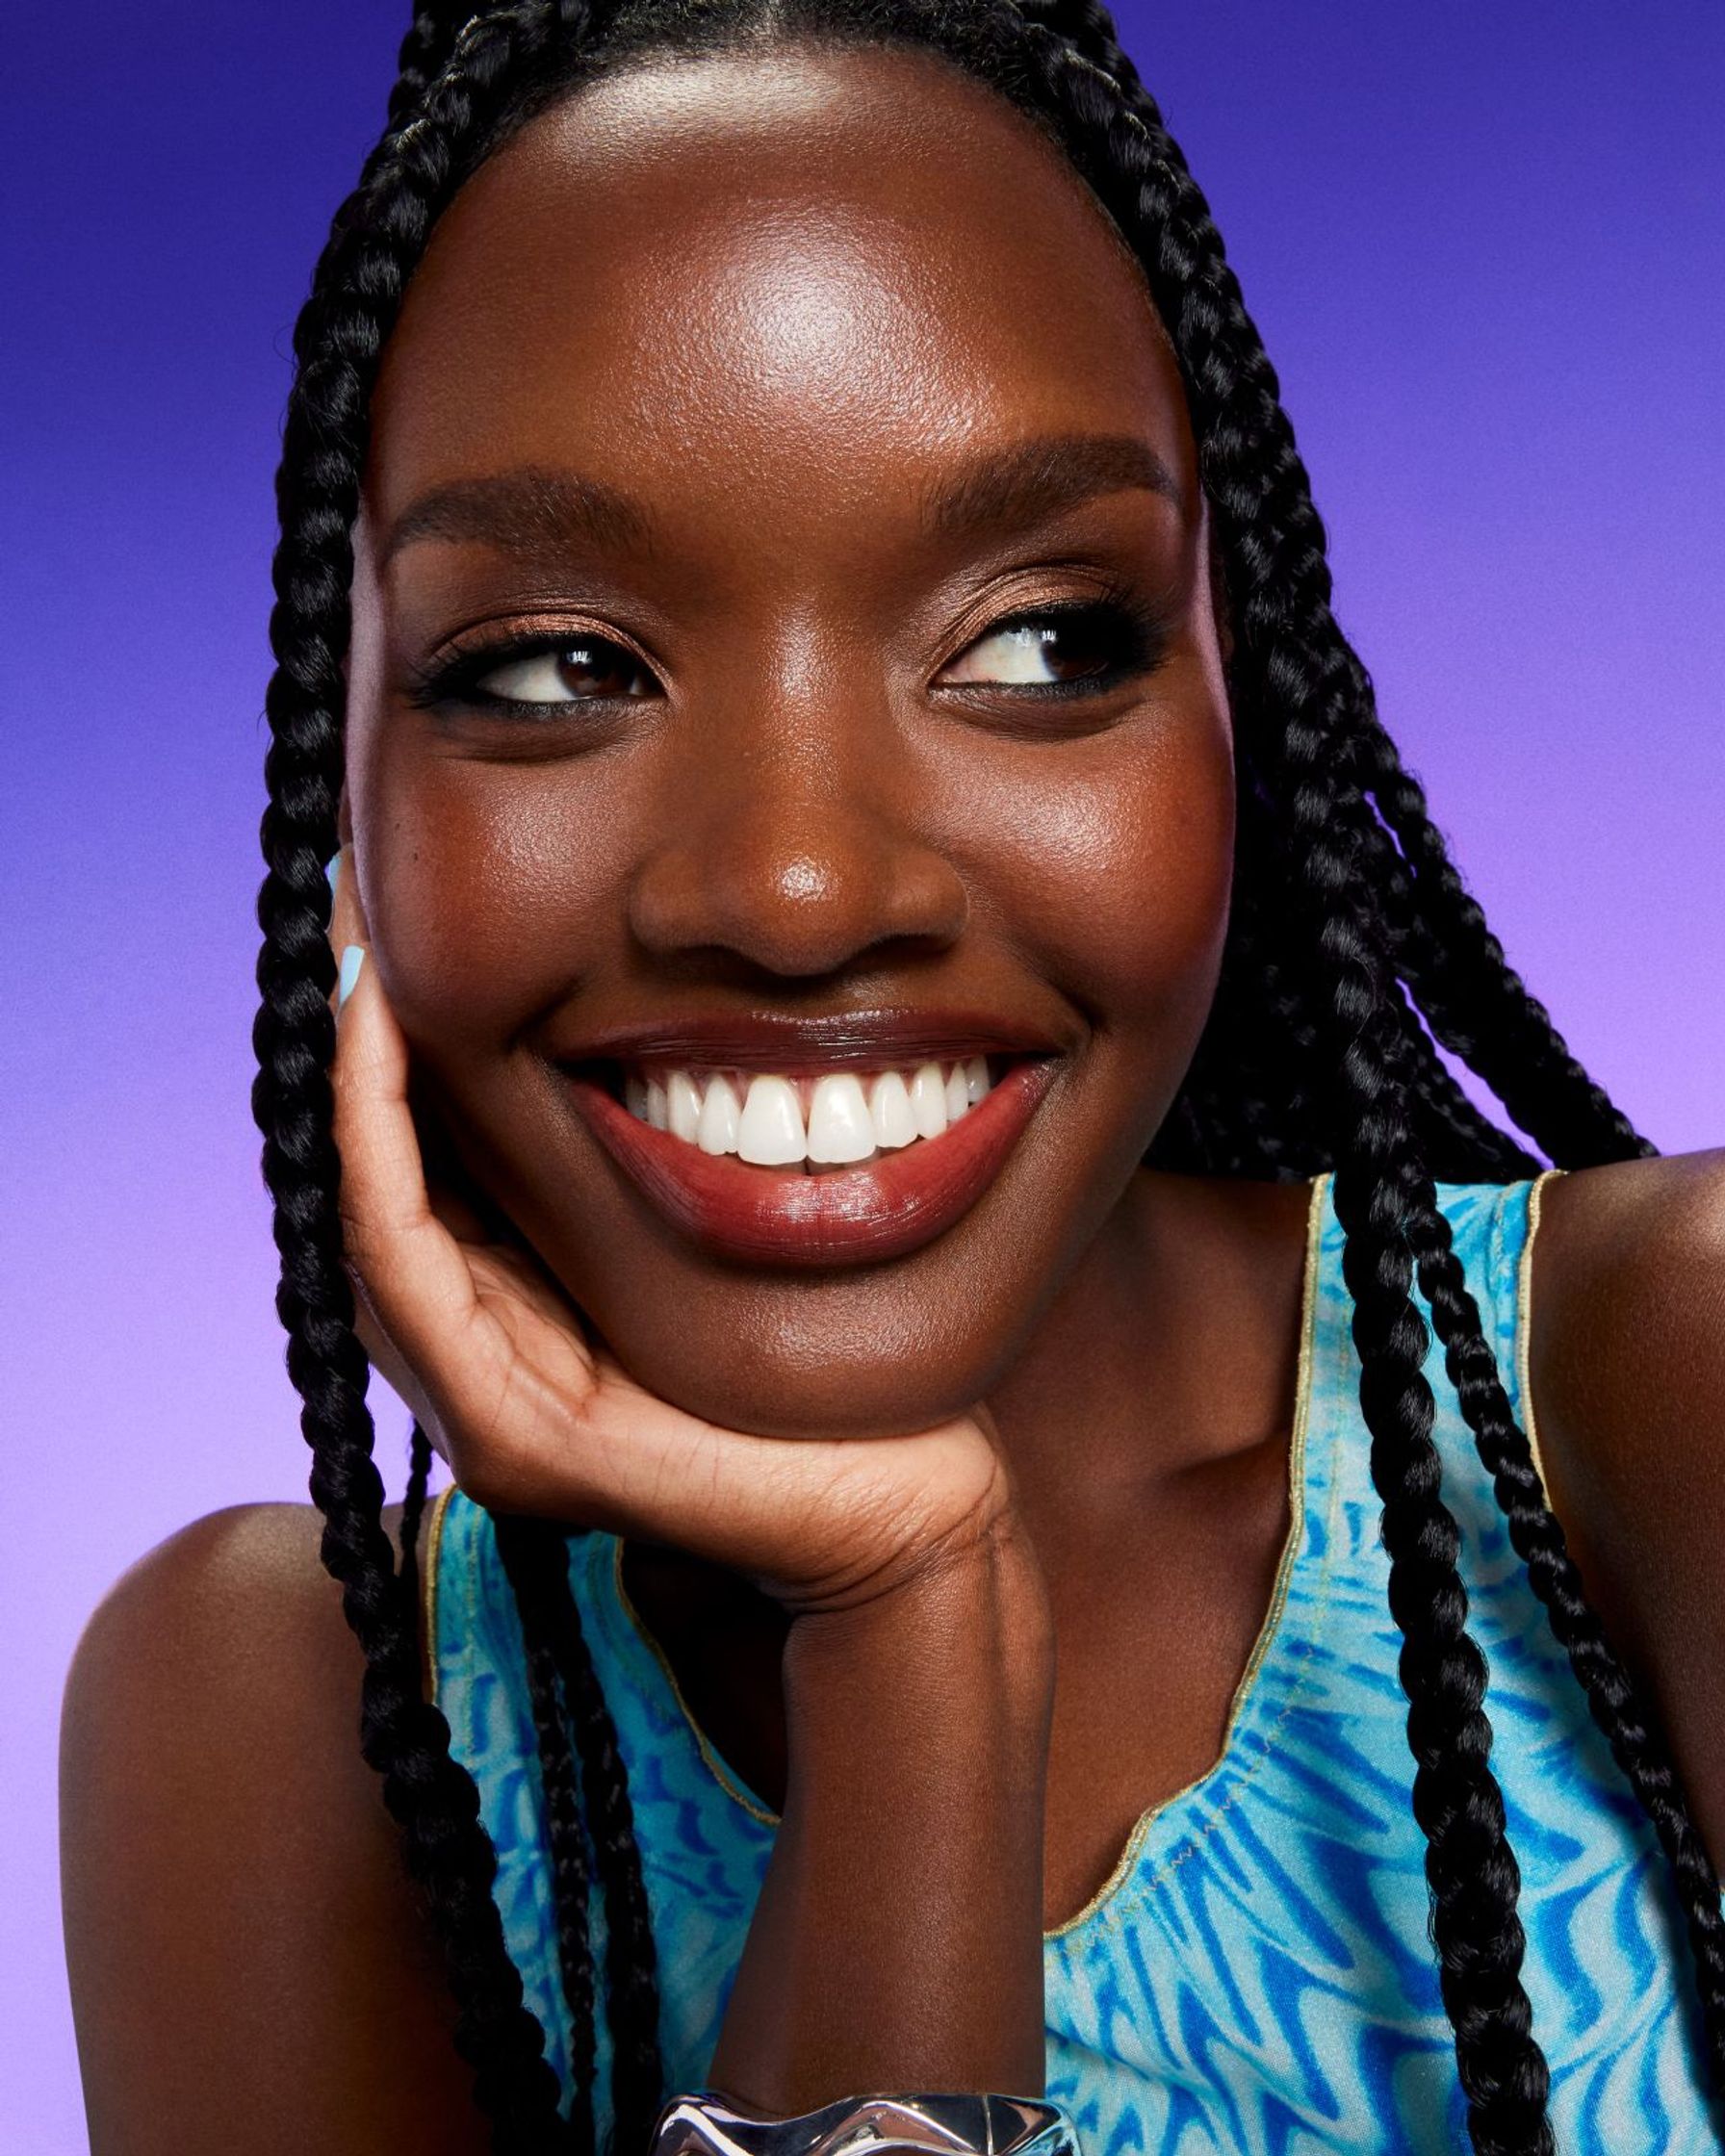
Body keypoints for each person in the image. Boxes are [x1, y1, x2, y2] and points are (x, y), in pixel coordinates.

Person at [57, 1, 1725, 2152]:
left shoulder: (1649, 1400)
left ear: (1245, 718)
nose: (794, 881)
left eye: (1040, 640)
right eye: (555, 668)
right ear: (346, 818)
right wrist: (911, 1630)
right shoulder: (288, 1725)